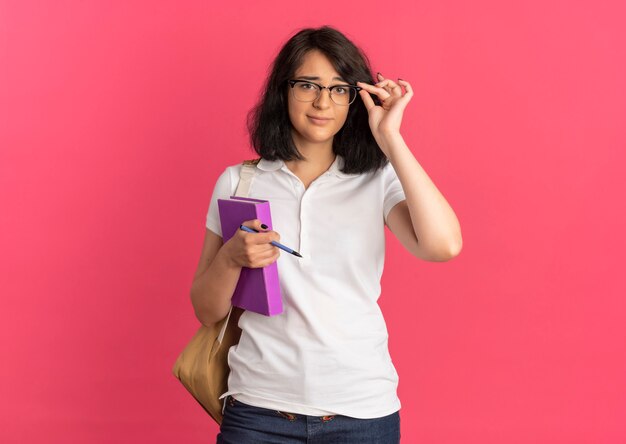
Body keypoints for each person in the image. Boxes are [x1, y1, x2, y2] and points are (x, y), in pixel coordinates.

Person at [191, 25, 462, 443]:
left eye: (339, 90)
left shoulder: (377, 180)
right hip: (258, 411)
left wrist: (390, 138)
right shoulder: (238, 182)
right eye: (308, 85)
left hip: (362, 414)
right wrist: (231, 258)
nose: (323, 102)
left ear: (356, 99)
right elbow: (207, 310)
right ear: (283, 90)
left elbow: (443, 246)